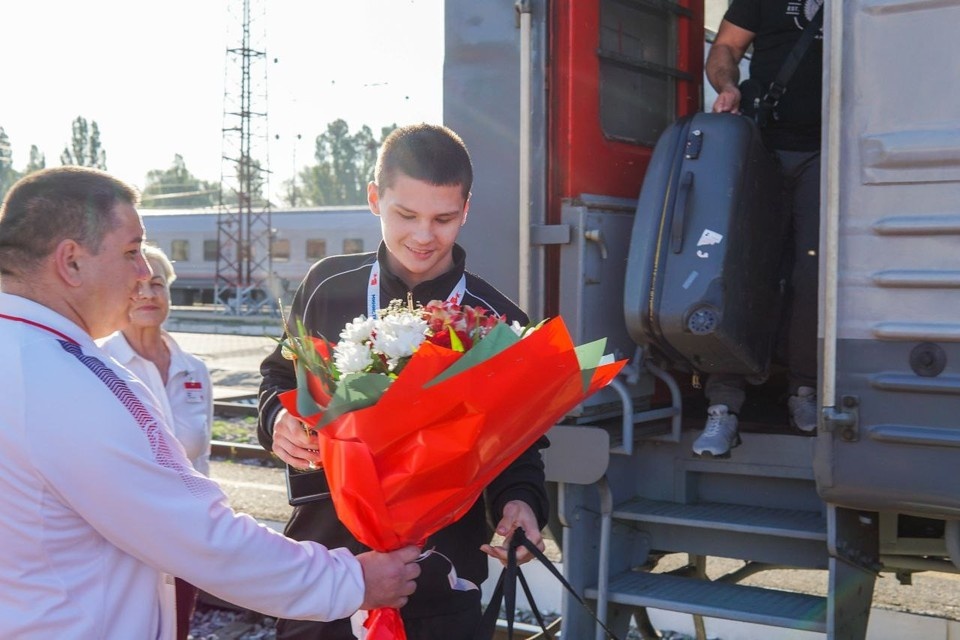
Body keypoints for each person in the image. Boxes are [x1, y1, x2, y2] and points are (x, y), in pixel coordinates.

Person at [0, 166, 421, 639]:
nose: (143, 274)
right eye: (132, 252)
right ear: (71, 262)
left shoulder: (21, 356)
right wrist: (352, 581)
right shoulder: (74, 382)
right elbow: (200, 536)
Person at [257, 123, 550, 640]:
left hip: (440, 582)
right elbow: (280, 375)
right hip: (325, 570)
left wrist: (521, 502)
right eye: (406, 215)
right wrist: (276, 418)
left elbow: (518, 446)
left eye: (443, 218)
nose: (423, 235)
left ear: (466, 210)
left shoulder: (498, 322)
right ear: (375, 199)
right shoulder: (327, 284)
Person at [694, 0, 824, 457]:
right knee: (738, 269)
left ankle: (804, 391)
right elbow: (725, 48)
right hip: (760, 141)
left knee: (813, 277)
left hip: (830, 152)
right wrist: (728, 87)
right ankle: (723, 407)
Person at [98, 245, 213, 640]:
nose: (147, 294)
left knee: (178, 629)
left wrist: (208, 531)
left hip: (184, 542)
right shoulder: (97, 364)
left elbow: (203, 461)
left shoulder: (194, 369)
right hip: (120, 547)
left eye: (157, 284)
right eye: (137, 285)